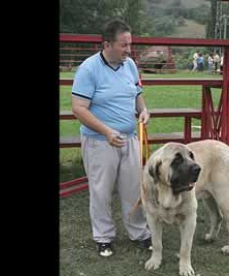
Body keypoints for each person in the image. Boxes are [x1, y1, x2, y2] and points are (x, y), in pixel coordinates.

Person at [71, 19, 152, 258]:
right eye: (124, 45)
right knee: (101, 191)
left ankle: (139, 233)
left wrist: (143, 110)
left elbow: (137, 94)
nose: (129, 49)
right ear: (107, 44)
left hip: (130, 138)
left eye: (130, 44)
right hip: (99, 141)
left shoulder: (130, 66)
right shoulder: (88, 69)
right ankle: (104, 237)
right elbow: (79, 108)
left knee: (135, 190)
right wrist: (106, 131)